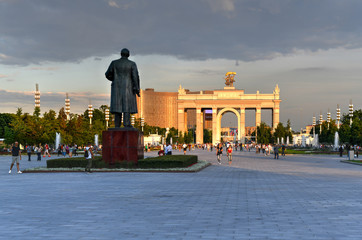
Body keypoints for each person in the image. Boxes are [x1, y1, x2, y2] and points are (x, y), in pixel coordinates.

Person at [105, 48, 140, 128]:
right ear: (128, 55)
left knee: (118, 106)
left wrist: (114, 79)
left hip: (116, 88)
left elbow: (107, 74)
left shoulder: (114, 63)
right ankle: (126, 124)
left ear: (121, 54)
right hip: (128, 88)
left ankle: (117, 124)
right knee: (126, 105)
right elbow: (135, 77)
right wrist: (136, 88)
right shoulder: (132, 64)